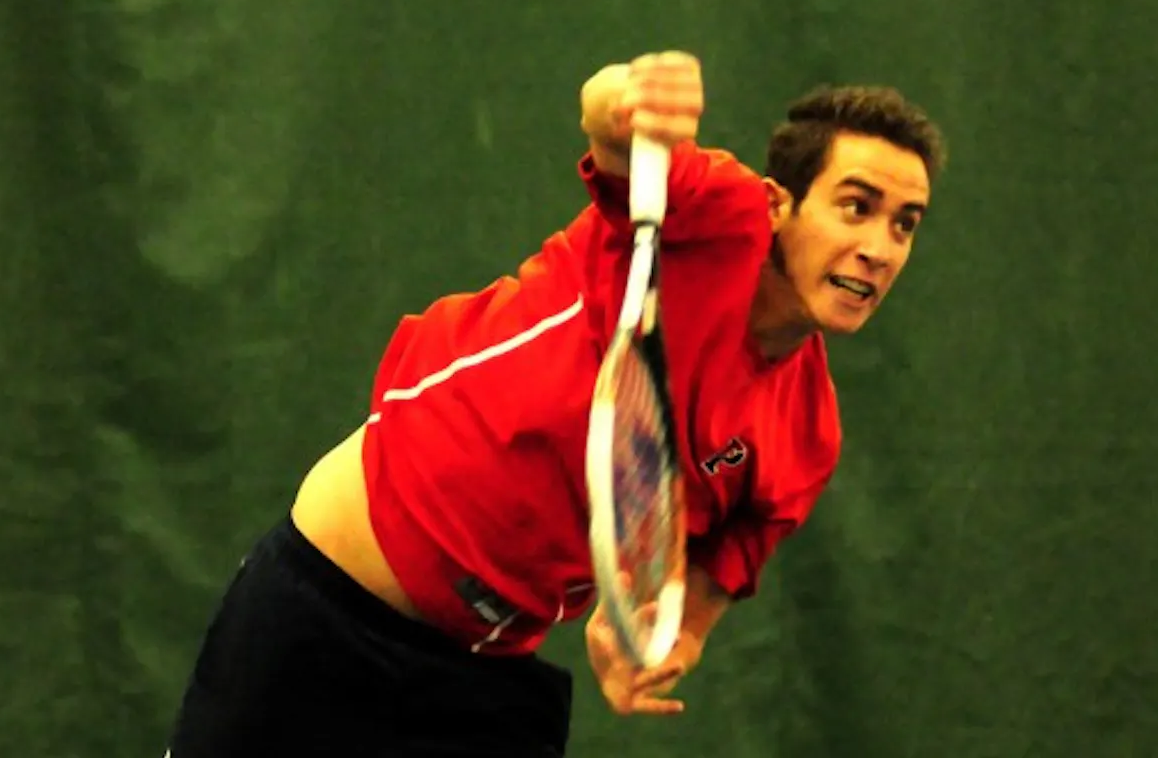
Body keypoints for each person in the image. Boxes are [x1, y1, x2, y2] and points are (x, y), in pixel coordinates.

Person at [162, 51, 946, 756]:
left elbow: (725, 561)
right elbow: (612, 133)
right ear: (779, 204)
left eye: (904, 225)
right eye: (856, 206)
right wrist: (627, 99)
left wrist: (668, 637)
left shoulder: (806, 434)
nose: (879, 248)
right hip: (323, 614)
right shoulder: (718, 215)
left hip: (479, 676)